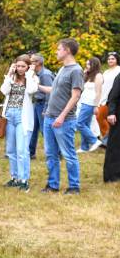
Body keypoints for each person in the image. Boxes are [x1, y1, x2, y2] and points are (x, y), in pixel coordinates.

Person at [38, 38, 84, 194]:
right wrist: (36, 87)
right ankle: (53, 185)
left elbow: (75, 96)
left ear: (68, 51)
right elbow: (55, 91)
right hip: (50, 117)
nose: (56, 52)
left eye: (59, 49)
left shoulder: (76, 70)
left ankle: (74, 186)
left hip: (64, 120)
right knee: (50, 154)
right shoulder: (62, 69)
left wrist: (62, 116)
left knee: (68, 154)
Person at [0, 54, 39, 192]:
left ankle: (24, 180)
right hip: (10, 115)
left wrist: (29, 74)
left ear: (28, 66)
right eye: (18, 66)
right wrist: (9, 74)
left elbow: (31, 90)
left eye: (23, 66)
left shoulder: (32, 78)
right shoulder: (11, 77)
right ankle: (14, 178)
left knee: (22, 150)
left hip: (23, 117)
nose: (20, 68)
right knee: (11, 150)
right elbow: (3, 91)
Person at [28, 54, 55, 160]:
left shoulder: (45, 75)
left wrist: (46, 109)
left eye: (32, 61)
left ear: (38, 63)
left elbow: (50, 92)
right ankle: (30, 152)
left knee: (46, 131)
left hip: (44, 104)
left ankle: (55, 153)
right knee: (33, 129)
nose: (30, 63)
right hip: (37, 103)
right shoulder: (36, 74)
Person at [76, 57, 103, 153]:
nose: (86, 66)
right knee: (86, 124)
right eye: (86, 64)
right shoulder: (88, 76)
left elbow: (98, 92)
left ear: (94, 65)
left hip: (91, 103)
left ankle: (95, 141)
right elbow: (81, 86)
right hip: (84, 102)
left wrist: (96, 106)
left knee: (79, 123)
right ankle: (84, 147)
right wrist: (84, 73)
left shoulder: (98, 76)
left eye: (88, 64)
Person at [99, 52, 120, 145]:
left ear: (117, 60)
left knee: (101, 117)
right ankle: (107, 139)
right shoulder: (106, 72)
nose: (110, 60)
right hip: (103, 98)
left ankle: (107, 140)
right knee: (100, 118)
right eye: (109, 59)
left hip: (112, 99)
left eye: (112, 59)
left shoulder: (118, 70)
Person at [104, 72, 120, 182]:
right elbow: (113, 96)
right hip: (117, 116)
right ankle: (111, 176)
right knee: (115, 146)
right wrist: (111, 112)